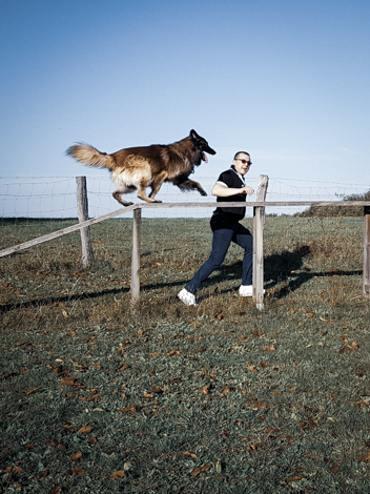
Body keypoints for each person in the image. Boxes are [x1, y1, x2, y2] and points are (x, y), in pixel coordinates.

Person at [177, 150, 255, 306]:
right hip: (223, 221)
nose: (246, 165)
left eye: (248, 163)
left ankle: (246, 286)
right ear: (234, 162)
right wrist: (241, 190)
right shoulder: (227, 175)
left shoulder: (240, 179)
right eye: (243, 161)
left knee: (252, 245)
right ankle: (188, 290)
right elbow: (216, 190)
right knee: (217, 259)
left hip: (232, 222)